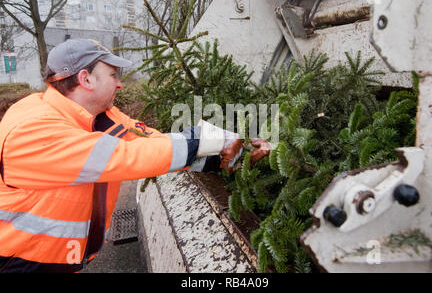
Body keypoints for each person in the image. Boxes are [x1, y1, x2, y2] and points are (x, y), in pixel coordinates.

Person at [0, 39, 271, 273]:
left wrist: (230, 151)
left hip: (55, 261)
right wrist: (206, 139)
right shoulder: (32, 131)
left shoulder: (100, 117)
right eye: (113, 75)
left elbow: (155, 144)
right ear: (86, 79)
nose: (119, 84)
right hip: (16, 263)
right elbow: (127, 156)